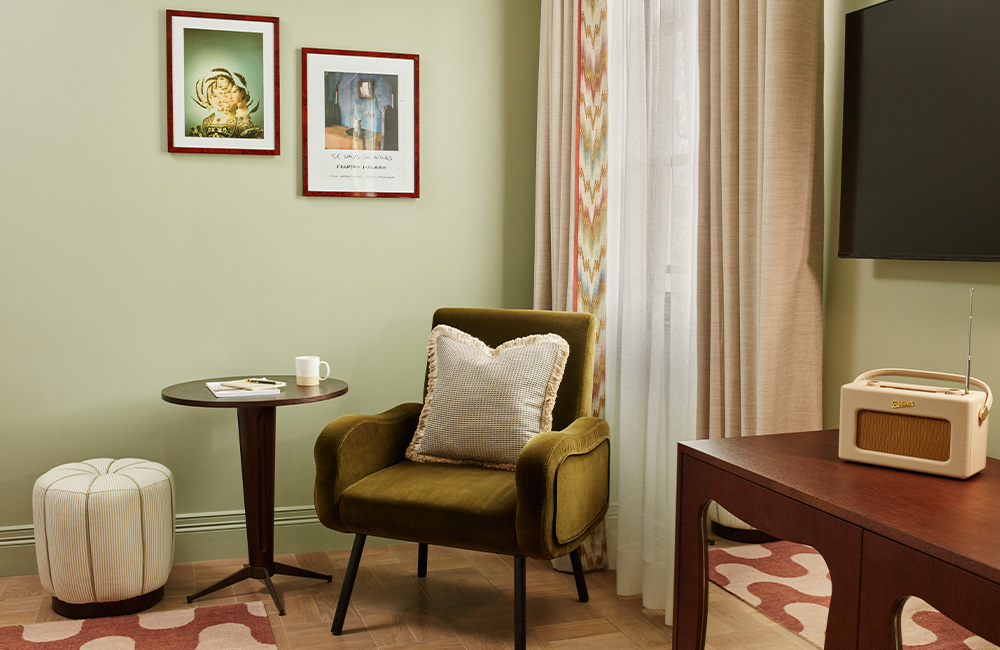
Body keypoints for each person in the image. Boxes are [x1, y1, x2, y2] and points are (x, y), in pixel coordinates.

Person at [188, 68, 263, 139]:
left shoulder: (242, 124)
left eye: (229, 91)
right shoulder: (207, 121)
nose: (226, 96)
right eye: (221, 92)